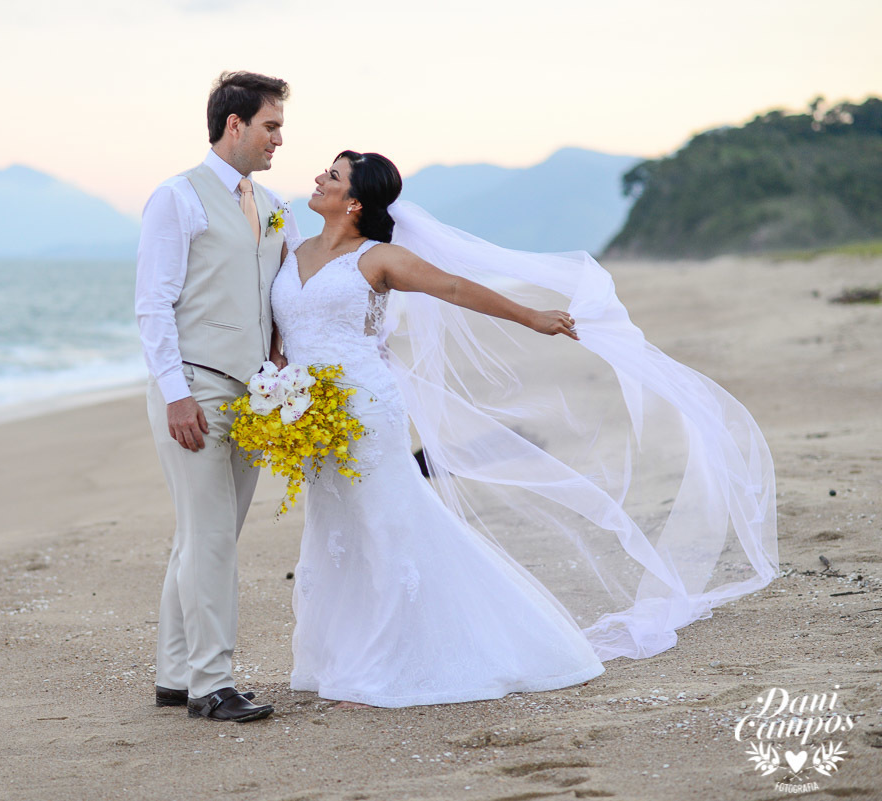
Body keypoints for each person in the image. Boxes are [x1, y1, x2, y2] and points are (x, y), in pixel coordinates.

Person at [270, 151, 778, 708]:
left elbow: (456, 289)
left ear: (355, 202)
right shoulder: (291, 252)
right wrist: (274, 391)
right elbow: (280, 329)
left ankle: (389, 665)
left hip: (365, 409)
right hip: (307, 416)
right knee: (334, 530)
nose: (319, 178)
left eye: (333, 176)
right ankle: (338, 659)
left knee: (387, 528)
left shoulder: (379, 258)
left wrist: (534, 318)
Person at [134, 71, 296, 722]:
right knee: (210, 539)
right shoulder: (177, 198)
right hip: (196, 388)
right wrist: (175, 393)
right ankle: (212, 682)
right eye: (270, 126)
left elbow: (272, 294)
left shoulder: (273, 202)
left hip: (253, 394)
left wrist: (282, 356)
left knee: (205, 535)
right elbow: (152, 305)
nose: (278, 139)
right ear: (235, 125)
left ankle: (176, 674)